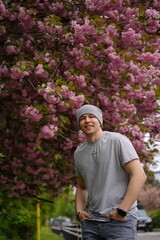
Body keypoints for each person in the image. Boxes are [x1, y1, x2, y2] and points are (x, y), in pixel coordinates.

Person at [74, 104, 147, 240]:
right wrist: (79, 212)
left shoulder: (117, 140)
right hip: (91, 223)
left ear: (100, 121)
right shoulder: (79, 153)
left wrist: (122, 211)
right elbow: (81, 186)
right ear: (79, 124)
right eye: (83, 118)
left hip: (120, 221)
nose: (87, 120)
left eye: (92, 116)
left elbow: (139, 176)